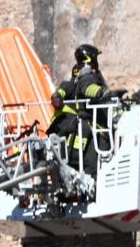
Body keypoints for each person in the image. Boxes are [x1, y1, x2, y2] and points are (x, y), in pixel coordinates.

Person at [47, 43, 109, 182]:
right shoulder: (87, 78)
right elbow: (87, 88)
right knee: (93, 164)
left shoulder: (73, 84)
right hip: (91, 130)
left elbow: (64, 90)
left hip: (75, 129)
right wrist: (103, 92)